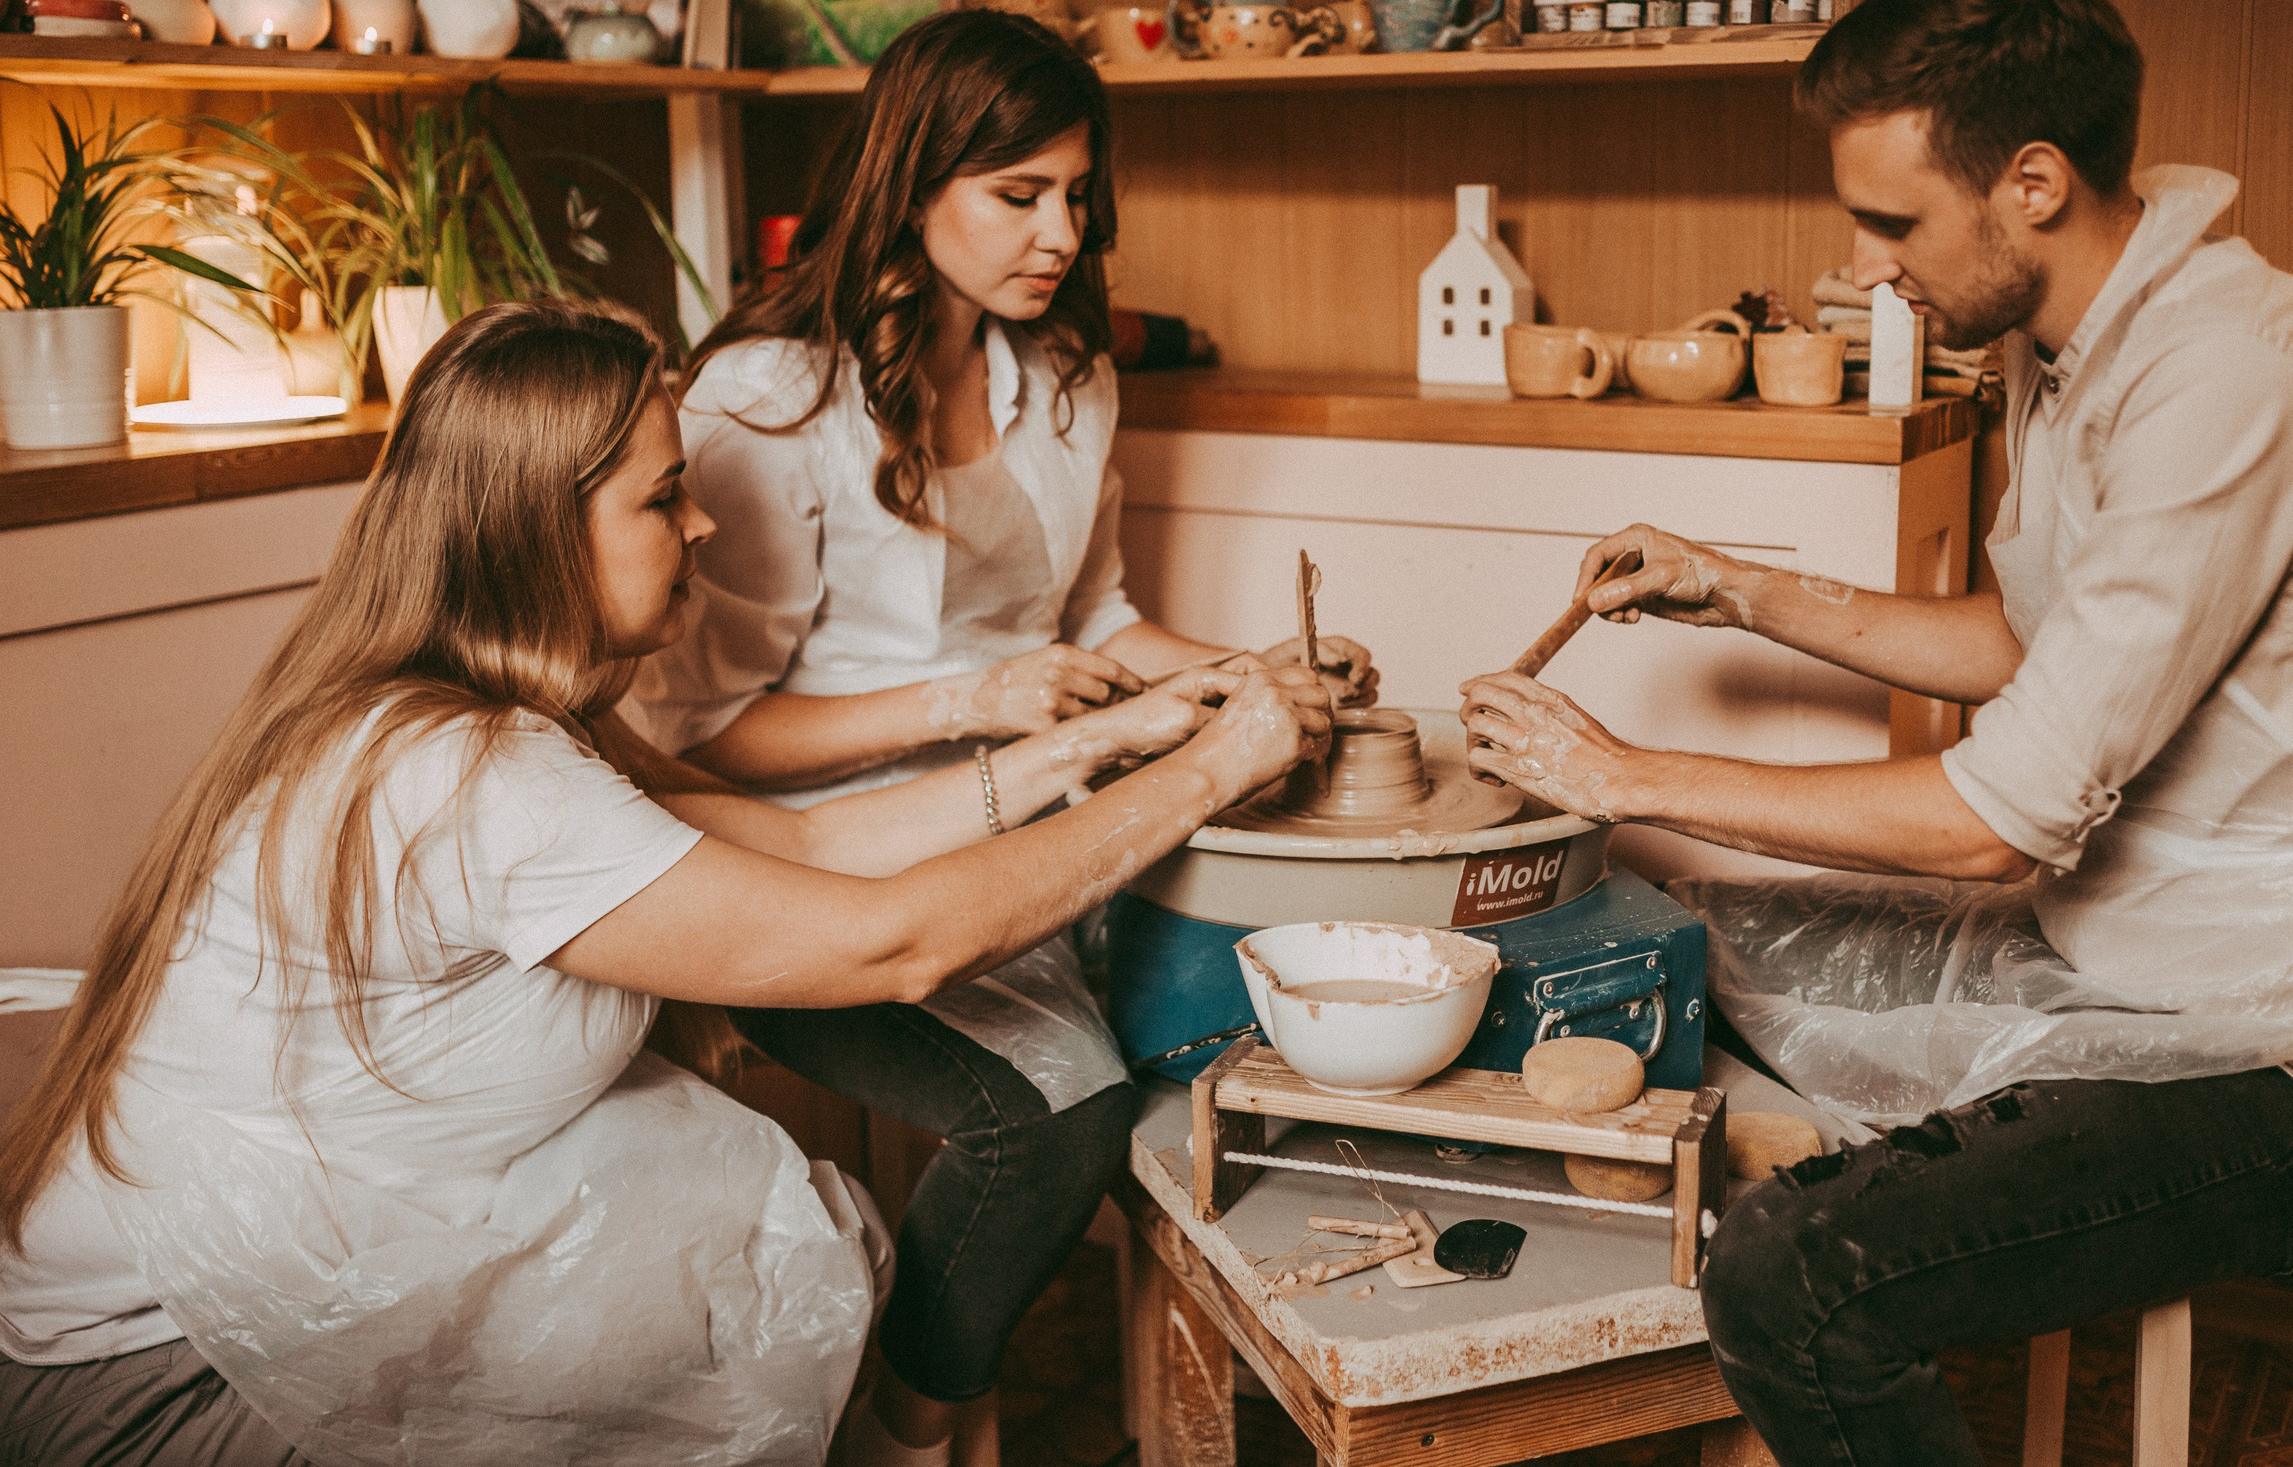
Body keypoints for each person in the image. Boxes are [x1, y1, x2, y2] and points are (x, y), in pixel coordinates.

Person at [1456, 0, 2293, 1467]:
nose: (1870, 264)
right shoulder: (2070, 345)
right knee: (1664, 928)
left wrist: (1625, 769)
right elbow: (2030, 641)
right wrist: (1736, 583)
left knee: (1796, 1275)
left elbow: (1993, 818)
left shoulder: (2227, 379)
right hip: (2137, 954)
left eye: (1893, 222)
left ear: (2033, 182)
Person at [0, 302, 1331, 1467]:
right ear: (537, 528)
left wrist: (1106, 739)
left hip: (264, 1278)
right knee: (744, 1239)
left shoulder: (481, 709)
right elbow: (894, 945)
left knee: (738, 1214)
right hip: (144, 1375)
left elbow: (804, 846)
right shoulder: (470, 776)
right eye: (658, 496)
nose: (701, 518)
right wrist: (1213, 772)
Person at [618, 7, 1373, 1457]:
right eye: (1019, 195)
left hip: (1053, 802)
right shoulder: (767, 403)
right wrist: (972, 703)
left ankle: (1245, 1411)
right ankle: (913, 1421)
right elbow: (704, 733)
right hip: (826, 864)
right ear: (913, 182)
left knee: (1253, 1030)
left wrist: (1251, 668)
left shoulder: (1072, 375)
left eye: (1077, 196)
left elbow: (1098, 616)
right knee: (1059, 1112)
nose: (1060, 233)